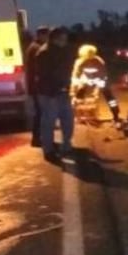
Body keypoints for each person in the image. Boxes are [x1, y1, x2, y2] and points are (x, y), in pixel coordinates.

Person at [34, 27, 75, 162]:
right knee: (49, 123)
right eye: (62, 39)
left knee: (68, 120)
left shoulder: (63, 51)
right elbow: (44, 75)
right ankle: (48, 150)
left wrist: (68, 86)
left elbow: (66, 70)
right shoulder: (44, 53)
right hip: (49, 93)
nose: (65, 41)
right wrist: (56, 87)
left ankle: (66, 145)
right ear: (55, 39)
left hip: (62, 91)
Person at [72, 44, 122, 126]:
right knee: (78, 97)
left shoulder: (99, 61)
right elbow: (76, 75)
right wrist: (74, 89)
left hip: (100, 82)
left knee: (110, 98)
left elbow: (103, 75)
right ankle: (78, 115)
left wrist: (97, 89)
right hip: (86, 81)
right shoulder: (79, 62)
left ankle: (116, 115)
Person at [25, 26, 50, 147]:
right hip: (38, 87)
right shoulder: (37, 49)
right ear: (41, 35)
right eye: (47, 35)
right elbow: (38, 69)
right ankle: (37, 139)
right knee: (40, 113)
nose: (48, 38)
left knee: (40, 113)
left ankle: (38, 138)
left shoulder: (33, 47)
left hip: (35, 86)